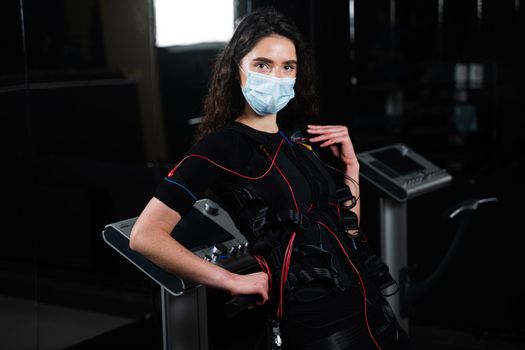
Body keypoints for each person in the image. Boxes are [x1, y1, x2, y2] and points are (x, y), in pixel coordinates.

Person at [130, 7, 410, 350]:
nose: (275, 76)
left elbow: (346, 232)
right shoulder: (221, 145)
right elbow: (144, 236)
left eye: (287, 67)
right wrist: (230, 279)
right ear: (237, 70)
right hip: (315, 318)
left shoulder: (298, 143)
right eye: (263, 65)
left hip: (366, 302)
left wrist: (352, 169)